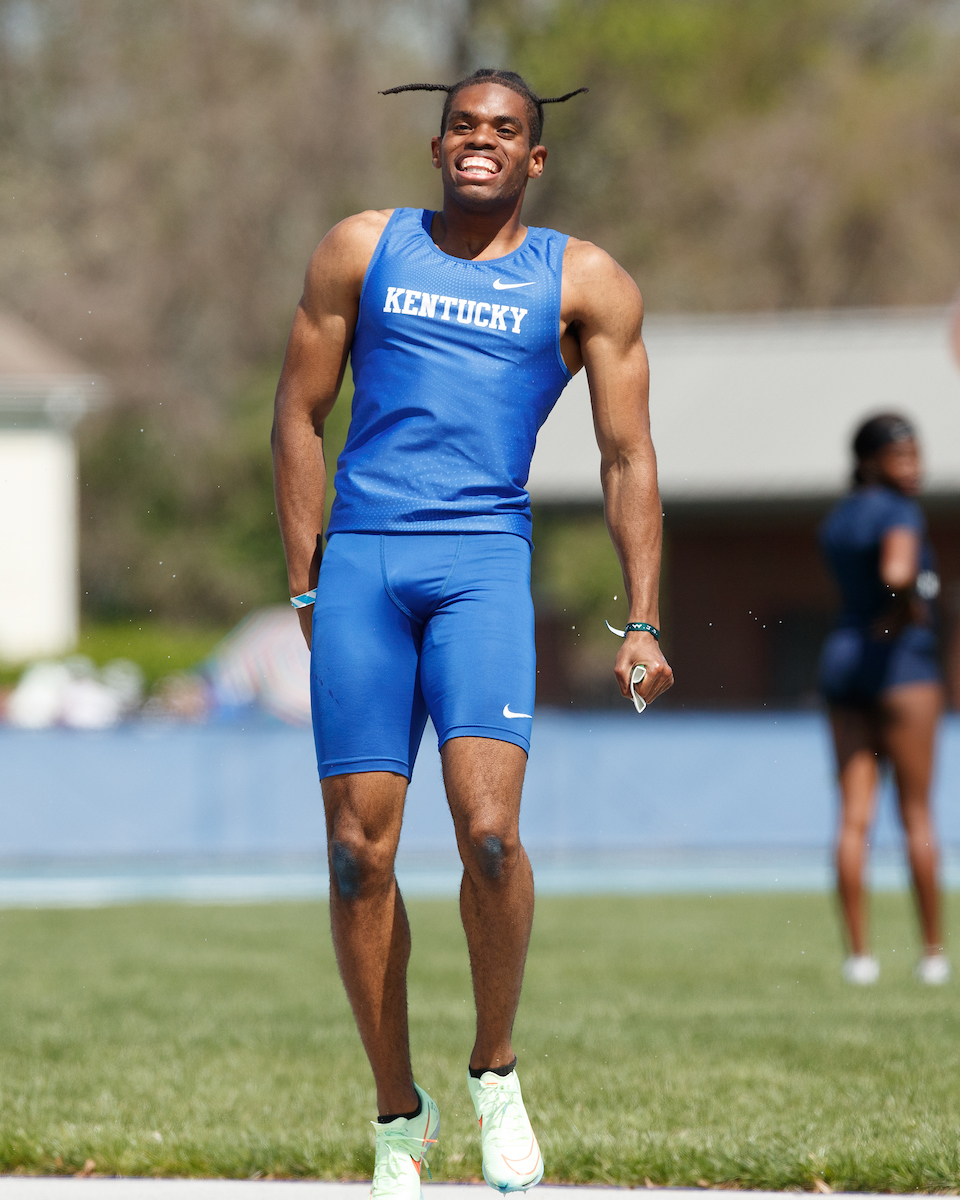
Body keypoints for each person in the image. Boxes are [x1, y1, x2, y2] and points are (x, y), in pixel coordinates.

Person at [272, 67, 674, 1198]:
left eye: (504, 131)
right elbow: (296, 414)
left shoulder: (584, 281)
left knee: (489, 835)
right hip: (364, 568)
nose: (480, 142)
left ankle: (495, 1071)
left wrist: (643, 614)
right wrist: (307, 583)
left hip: (482, 570)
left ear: (533, 159)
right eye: (463, 126)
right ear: (438, 144)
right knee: (359, 858)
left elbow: (628, 455)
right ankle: (398, 1115)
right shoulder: (363, 247)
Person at [818, 413, 948, 987]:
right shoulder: (901, 511)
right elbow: (898, 570)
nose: (914, 467)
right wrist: (908, 603)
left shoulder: (840, 518)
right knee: (916, 813)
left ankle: (860, 958)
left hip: (843, 660)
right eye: (902, 456)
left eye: (917, 456)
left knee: (853, 820)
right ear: (872, 461)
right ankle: (933, 954)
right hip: (902, 665)